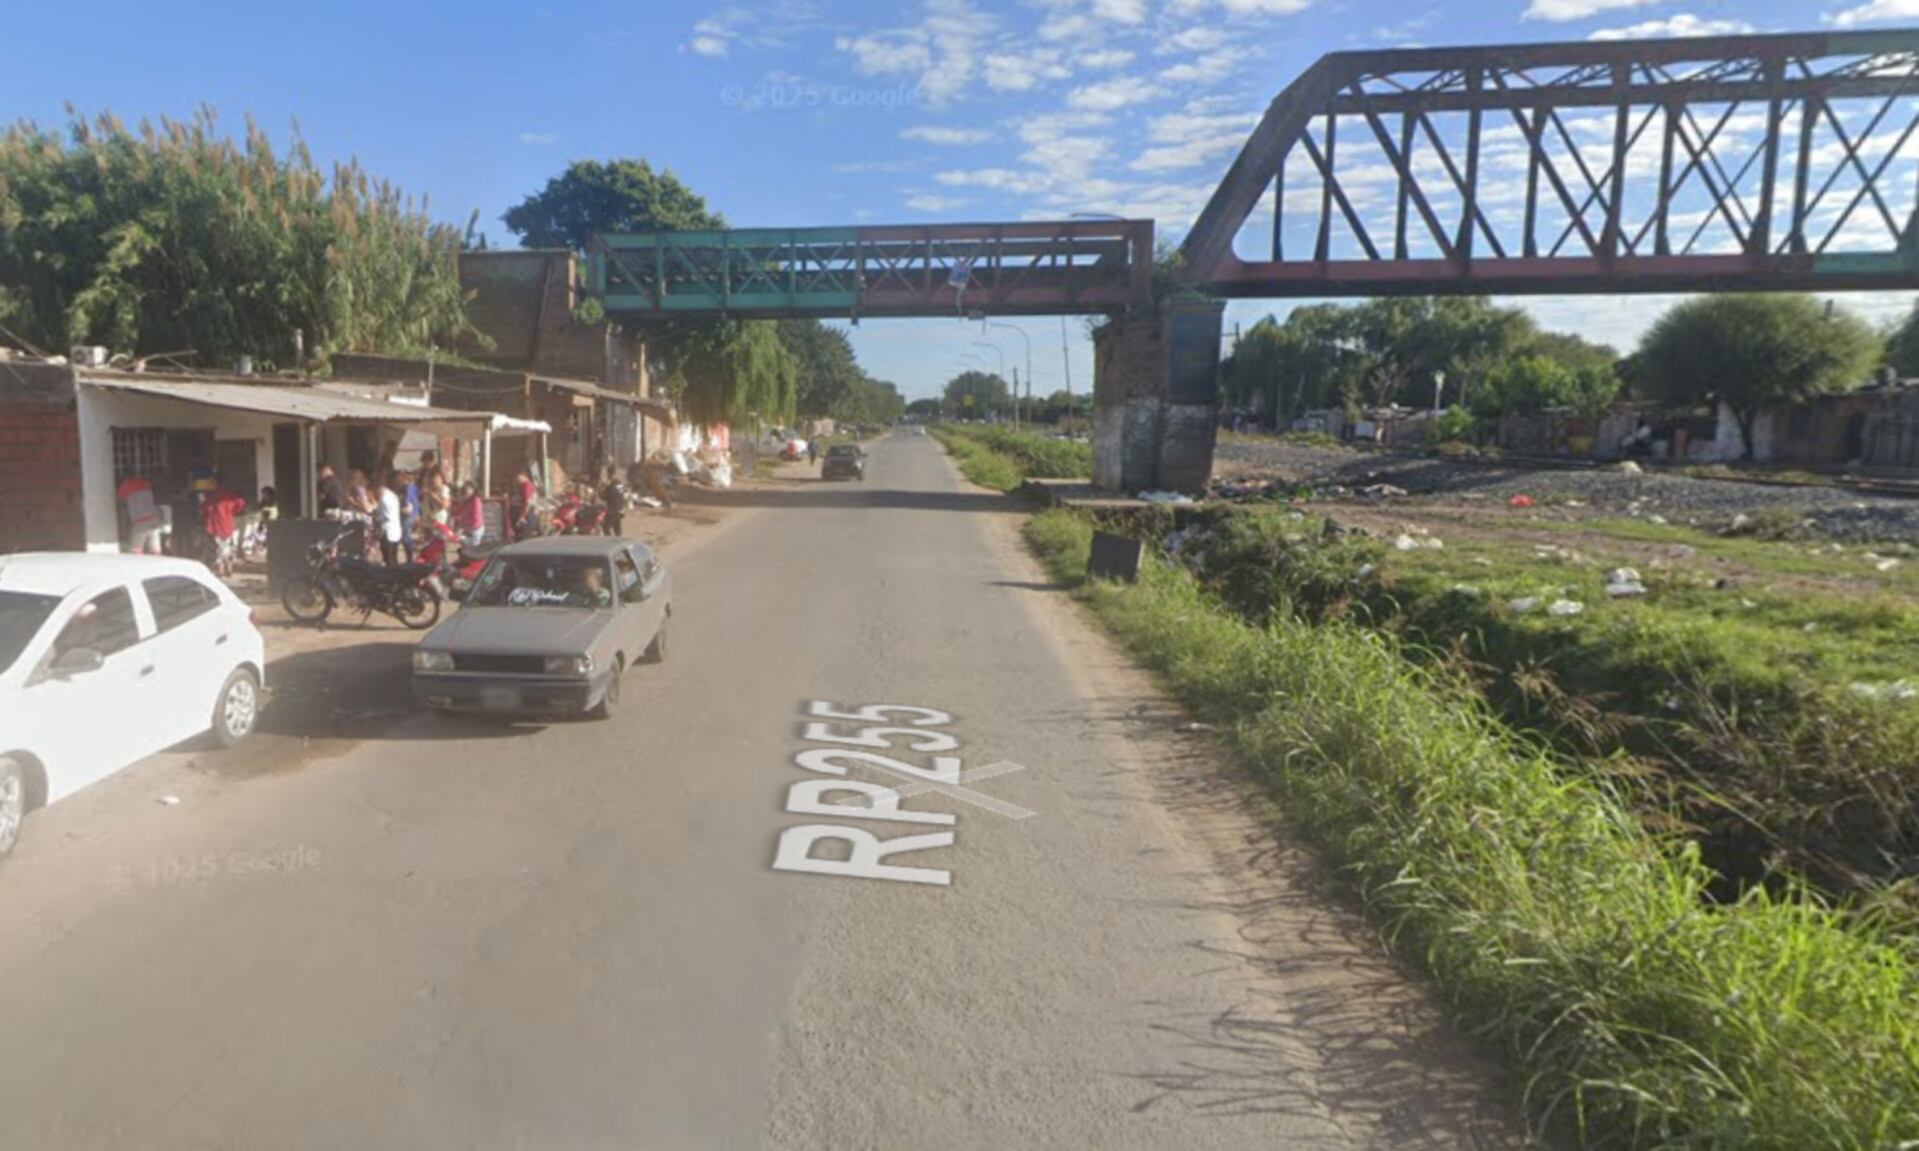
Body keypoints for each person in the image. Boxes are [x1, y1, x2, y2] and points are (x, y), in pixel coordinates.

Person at [198, 486, 248, 578]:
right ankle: (229, 566)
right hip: (228, 525)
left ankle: (221, 569)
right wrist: (233, 511)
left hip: (214, 526)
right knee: (227, 546)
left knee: (218, 548)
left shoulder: (211, 496)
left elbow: (204, 509)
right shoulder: (229, 496)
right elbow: (241, 503)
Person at [117, 473, 166, 555]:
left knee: (135, 549)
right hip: (154, 518)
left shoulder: (125, 485)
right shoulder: (145, 483)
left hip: (140, 520)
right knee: (155, 550)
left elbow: (119, 499)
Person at [374, 478, 404, 566]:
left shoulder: (384, 498)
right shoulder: (393, 496)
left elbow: (385, 515)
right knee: (394, 557)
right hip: (396, 529)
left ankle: (391, 575)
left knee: (388, 558)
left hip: (388, 531)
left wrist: (377, 517)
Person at [452, 482, 485, 550]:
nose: (466, 491)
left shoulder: (476, 501)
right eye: (465, 490)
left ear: (474, 490)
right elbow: (462, 514)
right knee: (462, 544)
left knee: (473, 549)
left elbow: (476, 520)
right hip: (468, 528)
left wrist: (463, 525)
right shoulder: (467, 501)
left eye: (469, 489)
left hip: (475, 529)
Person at [398, 469, 421, 561]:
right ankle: (411, 556)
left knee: (406, 537)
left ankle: (410, 558)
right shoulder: (414, 486)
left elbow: (407, 502)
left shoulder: (407, 488)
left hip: (407, 515)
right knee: (407, 536)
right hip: (413, 514)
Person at [600, 467, 630, 538]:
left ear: (609, 474)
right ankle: (619, 542)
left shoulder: (610, 484)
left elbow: (604, 496)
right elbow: (625, 496)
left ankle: (610, 543)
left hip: (612, 510)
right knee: (617, 529)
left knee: (606, 528)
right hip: (620, 509)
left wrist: (602, 486)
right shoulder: (620, 483)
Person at [513, 469, 540, 540]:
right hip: (531, 515)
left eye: (518, 477)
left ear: (524, 476)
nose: (516, 480)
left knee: (522, 539)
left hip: (527, 516)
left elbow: (527, 503)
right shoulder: (530, 485)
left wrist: (521, 517)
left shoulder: (526, 486)